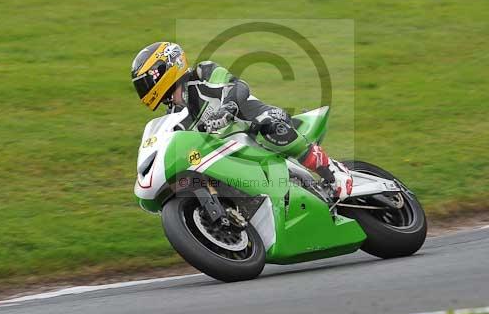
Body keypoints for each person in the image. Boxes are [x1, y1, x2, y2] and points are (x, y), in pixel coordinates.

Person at [130, 41, 353, 200]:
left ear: (163, 70)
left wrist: (228, 107)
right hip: (229, 152)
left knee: (267, 125)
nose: (144, 90)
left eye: (145, 82)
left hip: (252, 126)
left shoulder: (202, 73)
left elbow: (238, 85)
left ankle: (331, 170)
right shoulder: (174, 117)